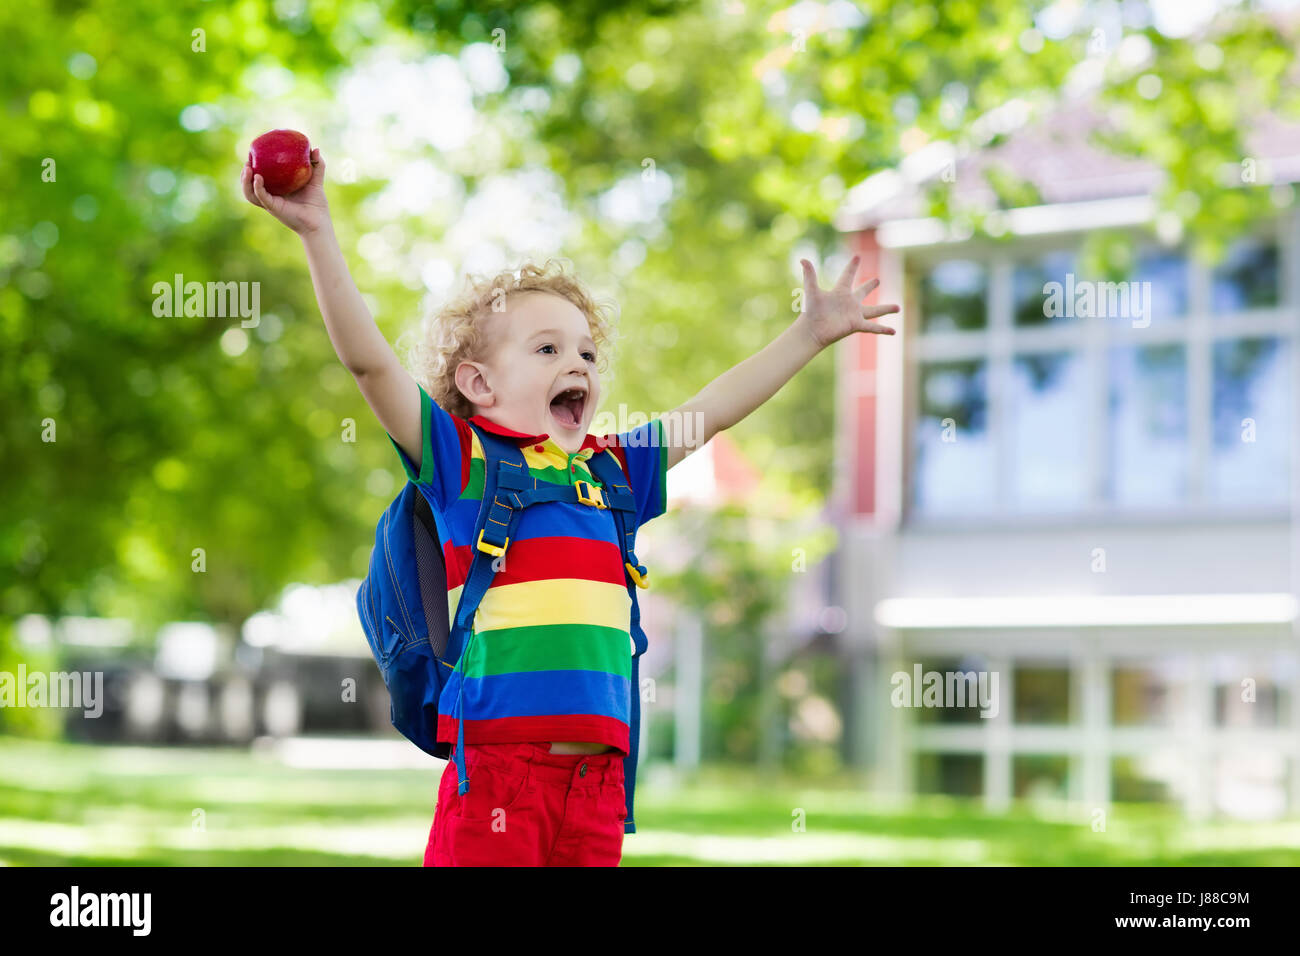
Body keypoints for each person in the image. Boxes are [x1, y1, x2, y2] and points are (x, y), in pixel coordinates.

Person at [241, 149, 898, 866]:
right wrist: (316, 232)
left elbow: (708, 413)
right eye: (548, 348)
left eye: (587, 353)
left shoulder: (614, 471)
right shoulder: (467, 464)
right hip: (499, 775)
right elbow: (370, 365)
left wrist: (807, 336)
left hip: (598, 782)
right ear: (478, 383)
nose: (578, 364)